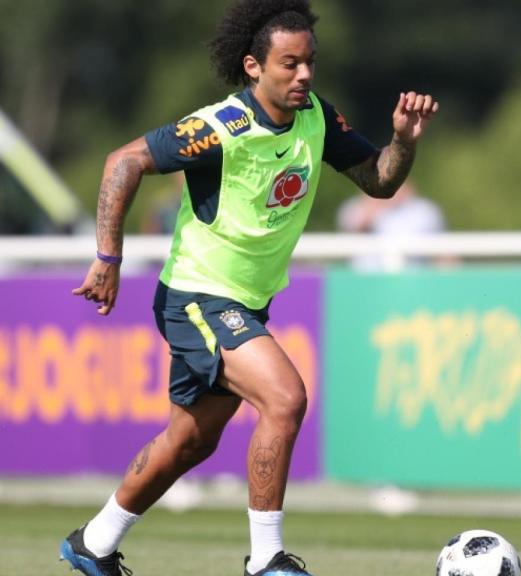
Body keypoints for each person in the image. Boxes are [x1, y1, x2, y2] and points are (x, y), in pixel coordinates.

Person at [64, 0, 438, 574]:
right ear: (254, 66)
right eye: (290, 64)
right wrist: (107, 257)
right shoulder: (221, 128)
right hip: (198, 295)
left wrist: (404, 140)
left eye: (310, 62)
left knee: (190, 442)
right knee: (285, 399)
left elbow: (379, 181)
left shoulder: (316, 116)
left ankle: (94, 543)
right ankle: (266, 561)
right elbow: (124, 161)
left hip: (244, 303)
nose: (305, 75)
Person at [336, 179, 445, 270]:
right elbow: (353, 229)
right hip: (364, 278)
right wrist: (376, 201)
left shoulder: (424, 210)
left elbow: (441, 250)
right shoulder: (354, 207)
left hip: (411, 278)